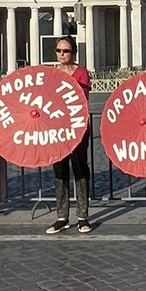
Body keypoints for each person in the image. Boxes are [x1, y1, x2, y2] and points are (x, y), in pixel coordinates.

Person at [46, 36, 93, 234]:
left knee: (80, 171)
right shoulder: (50, 73)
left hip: (77, 127)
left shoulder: (81, 72)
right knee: (60, 171)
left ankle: (83, 216)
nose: (62, 54)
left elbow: (79, 96)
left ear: (73, 52)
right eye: (58, 50)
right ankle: (62, 216)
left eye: (66, 51)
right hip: (57, 129)